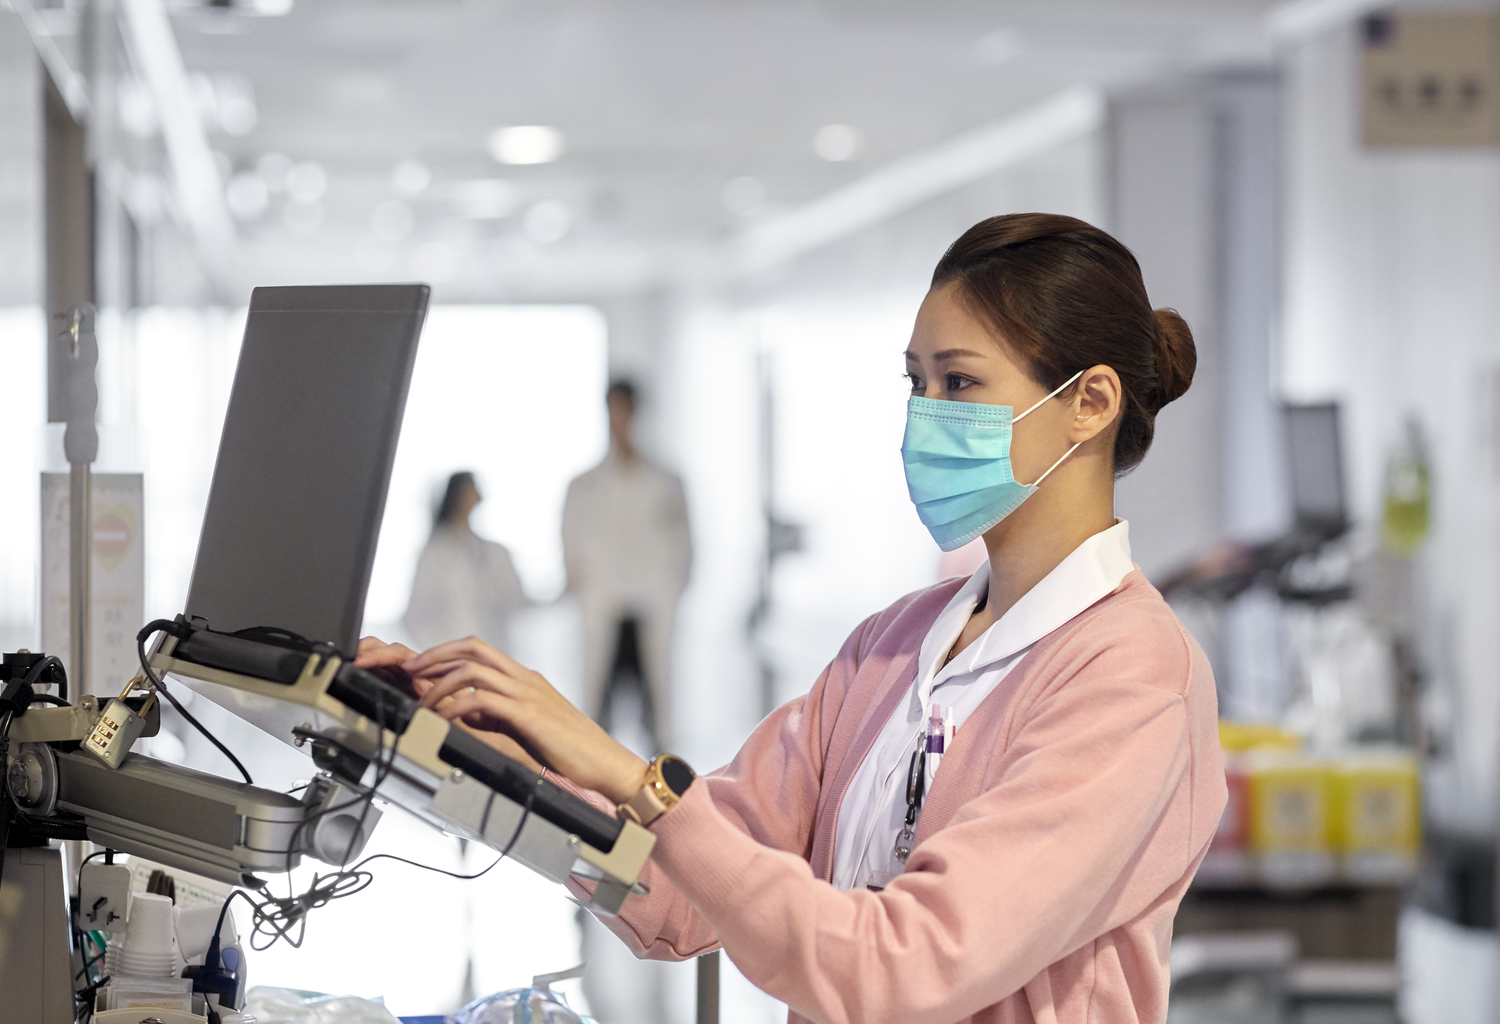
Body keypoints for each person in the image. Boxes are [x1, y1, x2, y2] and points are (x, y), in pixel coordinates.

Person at [361, 214, 1227, 1024]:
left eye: (958, 382)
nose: (924, 416)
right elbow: (680, 895)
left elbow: (905, 966)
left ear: (1091, 402)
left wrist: (637, 780)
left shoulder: (1134, 675)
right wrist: (473, 751)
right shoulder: (892, 647)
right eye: (915, 383)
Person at [560, 380, 691, 751]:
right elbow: (571, 550)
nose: (619, 419)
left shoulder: (666, 482)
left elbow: (684, 546)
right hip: (603, 602)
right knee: (598, 708)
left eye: (625, 410)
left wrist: (670, 587)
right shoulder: (584, 486)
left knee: (657, 706)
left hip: (653, 602)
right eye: (613, 410)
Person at [402, 472, 526, 654]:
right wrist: (439, 650)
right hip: (449, 652)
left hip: (493, 652)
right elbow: (416, 615)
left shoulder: (494, 553)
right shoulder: (435, 554)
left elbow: (515, 599)